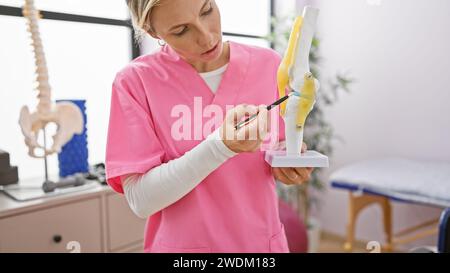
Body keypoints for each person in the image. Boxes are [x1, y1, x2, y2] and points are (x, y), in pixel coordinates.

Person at [105, 0, 313, 253]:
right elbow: (141, 200)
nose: (206, 37)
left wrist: (289, 160)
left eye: (207, 11)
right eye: (181, 30)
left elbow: (276, 149)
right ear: (152, 31)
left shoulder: (268, 65)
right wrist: (220, 146)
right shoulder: (135, 82)